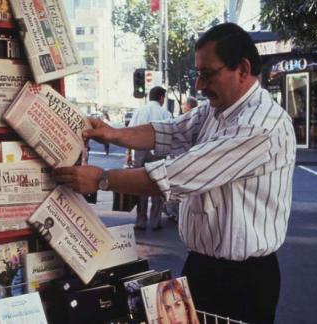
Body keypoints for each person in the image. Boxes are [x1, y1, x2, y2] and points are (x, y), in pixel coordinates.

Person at [53, 23, 296, 324]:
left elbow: (178, 175)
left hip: (243, 280)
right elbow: (169, 131)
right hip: (201, 267)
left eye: (207, 74)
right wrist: (113, 134)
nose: (199, 86)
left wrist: (103, 179)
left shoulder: (261, 125)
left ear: (243, 69)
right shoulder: (216, 110)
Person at [128, 86, 172, 231]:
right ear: (161, 98)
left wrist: (128, 154)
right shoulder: (165, 113)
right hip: (159, 151)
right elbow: (171, 136)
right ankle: (155, 221)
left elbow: (129, 132)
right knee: (158, 185)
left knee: (140, 185)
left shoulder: (140, 111)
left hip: (140, 150)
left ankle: (140, 220)